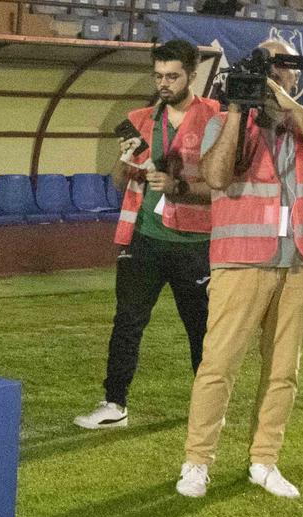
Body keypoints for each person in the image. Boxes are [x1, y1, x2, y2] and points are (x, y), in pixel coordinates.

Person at [179, 40, 303, 500]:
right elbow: (215, 177)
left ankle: (265, 461)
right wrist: (236, 110)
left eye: (287, 66)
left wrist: (293, 109)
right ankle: (197, 461)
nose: (277, 74)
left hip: (299, 260)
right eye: (269, 66)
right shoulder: (223, 120)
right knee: (218, 366)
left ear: (297, 75)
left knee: (283, 370)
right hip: (242, 260)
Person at [77, 40, 219, 431]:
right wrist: (124, 160)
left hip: (194, 243)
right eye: (158, 76)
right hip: (143, 238)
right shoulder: (139, 119)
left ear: (192, 75)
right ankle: (114, 404)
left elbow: (226, 184)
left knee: (201, 329)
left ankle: (209, 410)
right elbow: (119, 182)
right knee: (127, 322)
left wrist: (179, 188)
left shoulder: (215, 118)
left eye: (172, 76)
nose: (164, 83)